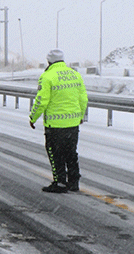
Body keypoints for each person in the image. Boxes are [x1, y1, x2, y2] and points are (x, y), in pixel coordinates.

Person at [29, 48, 89, 193]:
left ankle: (60, 182)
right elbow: (83, 98)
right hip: (73, 123)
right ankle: (74, 182)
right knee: (71, 153)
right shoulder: (75, 75)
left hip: (55, 125)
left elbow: (41, 101)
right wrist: (80, 116)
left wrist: (33, 117)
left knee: (56, 154)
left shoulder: (47, 76)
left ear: (49, 61)